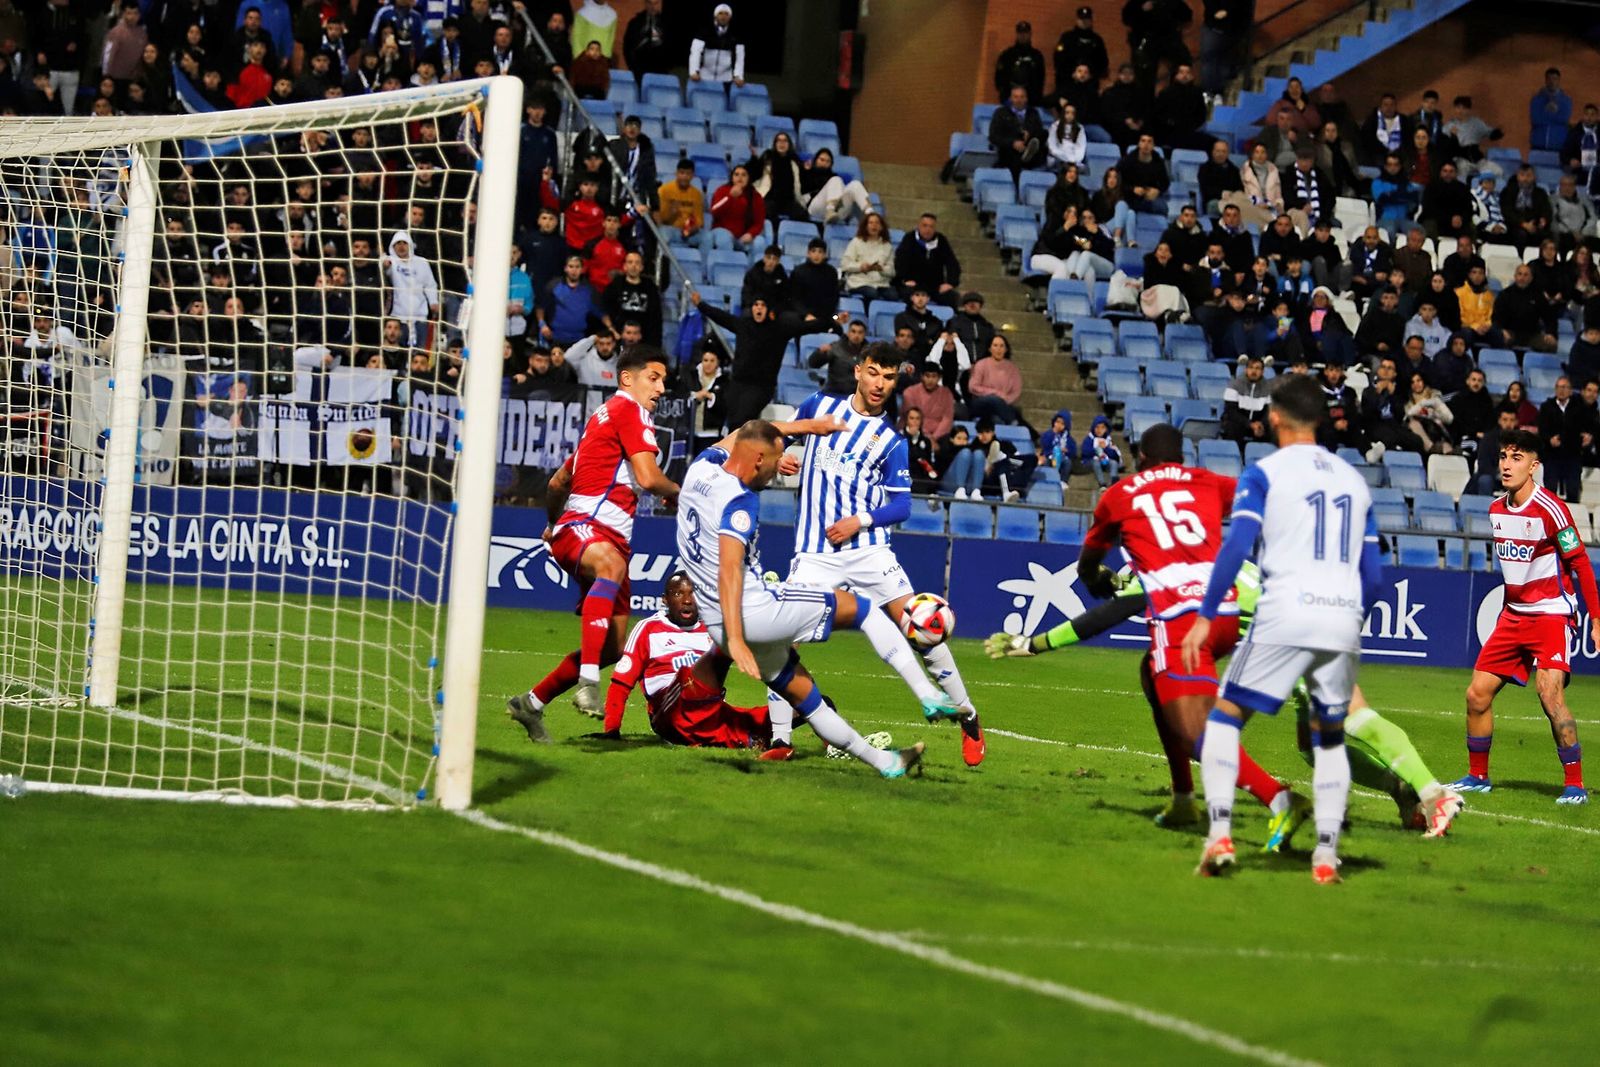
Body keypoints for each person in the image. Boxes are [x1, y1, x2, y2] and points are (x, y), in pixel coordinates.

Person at [986, 560, 1462, 838]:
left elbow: (1116, 610)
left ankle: (1433, 793)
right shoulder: (1212, 556)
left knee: (1351, 715)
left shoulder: (1161, 575)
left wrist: (1035, 642)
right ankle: (1405, 791)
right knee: (1314, 743)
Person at [1045, 423, 1315, 834]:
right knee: (1150, 676)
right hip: (1220, 613)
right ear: (1181, 457)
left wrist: (1093, 577)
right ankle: (1184, 800)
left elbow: (1090, 558)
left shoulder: (1121, 494)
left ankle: (1280, 799)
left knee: (1196, 736)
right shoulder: (1207, 481)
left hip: (1179, 619)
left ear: (1140, 457)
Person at [674, 418, 956, 776]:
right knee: (864, 609)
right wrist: (737, 636)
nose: (779, 471)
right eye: (777, 462)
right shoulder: (740, 501)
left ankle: (887, 762)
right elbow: (729, 570)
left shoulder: (702, 467)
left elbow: (746, 430)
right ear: (758, 459)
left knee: (808, 699)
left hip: (716, 622)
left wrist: (810, 426)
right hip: (752, 612)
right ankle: (928, 695)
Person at [1184, 373, 1378, 882]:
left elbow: (1237, 543)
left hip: (1286, 607)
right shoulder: (1355, 482)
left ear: (1274, 416)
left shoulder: (1264, 472)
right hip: (1343, 615)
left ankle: (1220, 835)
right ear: (1321, 417)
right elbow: (1374, 575)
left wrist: (1206, 614)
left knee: (1224, 719)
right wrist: (1350, 618)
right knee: (1330, 739)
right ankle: (1325, 857)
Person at [766, 345, 985, 765]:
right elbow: (776, 438)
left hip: (868, 552)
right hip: (815, 553)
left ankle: (968, 717)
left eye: (888, 377)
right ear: (858, 372)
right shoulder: (821, 406)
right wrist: (779, 460)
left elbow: (901, 506)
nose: (880, 384)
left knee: (924, 627)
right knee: (777, 639)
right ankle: (779, 740)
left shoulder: (891, 442)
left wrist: (860, 521)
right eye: (873, 374)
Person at [507, 348, 680, 733]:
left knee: (613, 647)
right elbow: (650, 479)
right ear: (626, 380)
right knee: (611, 566)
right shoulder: (630, 411)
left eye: (664, 380)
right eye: (653, 377)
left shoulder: (599, 422)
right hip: (589, 526)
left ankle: (530, 703)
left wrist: (552, 524)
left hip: (597, 534)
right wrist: (679, 492)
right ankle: (588, 684)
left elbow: (558, 482)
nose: (661, 387)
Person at [1455, 429, 1598, 804]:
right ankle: (1477, 776)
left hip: (1550, 615)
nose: (1506, 464)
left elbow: (1580, 563)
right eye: (1504, 456)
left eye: (1516, 458)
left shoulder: (1551, 509)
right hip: (1513, 617)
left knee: (1549, 693)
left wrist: (1596, 619)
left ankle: (1575, 785)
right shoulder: (1495, 510)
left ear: (1534, 466)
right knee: (1477, 694)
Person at [583, 572, 772, 747]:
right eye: (678, 594)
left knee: (779, 712)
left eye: (693, 593)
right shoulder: (649, 629)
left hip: (706, 711)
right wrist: (612, 730)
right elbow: (621, 684)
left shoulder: (710, 629)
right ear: (665, 600)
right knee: (713, 654)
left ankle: (753, 738)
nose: (687, 600)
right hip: (668, 710)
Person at [691, 289, 825, 429]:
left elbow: (807, 327)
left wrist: (833, 321)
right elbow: (721, 316)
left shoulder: (779, 329)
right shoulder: (743, 325)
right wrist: (700, 304)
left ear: (767, 309)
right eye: (756, 304)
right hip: (738, 383)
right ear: (752, 308)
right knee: (732, 422)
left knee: (741, 420)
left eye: (762, 305)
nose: (759, 308)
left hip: (761, 386)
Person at [894, 213, 962, 307]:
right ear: (919, 226)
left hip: (935, 286)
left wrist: (950, 283)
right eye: (925, 225)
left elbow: (952, 263)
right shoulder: (909, 238)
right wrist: (904, 280)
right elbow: (900, 260)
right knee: (907, 295)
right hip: (914, 285)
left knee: (952, 297)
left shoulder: (941, 240)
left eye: (931, 226)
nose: (928, 229)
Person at [1538, 376, 1588, 501]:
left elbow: (1588, 426)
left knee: (1573, 489)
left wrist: (1588, 435)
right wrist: (1549, 439)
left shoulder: (1579, 408)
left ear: (1571, 391)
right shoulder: (1546, 407)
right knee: (1550, 490)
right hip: (1552, 455)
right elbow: (1542, 429)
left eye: (1565, 387)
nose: (1561, 390)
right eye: (1559, 387)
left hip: (1573, 454)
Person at [800, 147, 872, 225]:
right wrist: (805, 171)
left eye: (828, 161)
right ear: (815, 160)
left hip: (837, 211)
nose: (824, 163)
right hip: (815, 207)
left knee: (856, 184)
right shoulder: (808, 173)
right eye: (822, 160)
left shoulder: (833, 177)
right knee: (836, 179)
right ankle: (830, 211)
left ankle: (871, 216)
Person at [989, 83, 1047, 177]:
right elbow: (993, 136)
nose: (1019, 100)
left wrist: (1029, 134)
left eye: (1022, 97)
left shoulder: (1033, 113)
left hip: (1029, 147)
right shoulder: (1001, 113)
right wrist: (1013, 143)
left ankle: (1029, 152)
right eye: (1016, 97)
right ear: (1010, 98)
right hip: (1010, 151)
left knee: (1044, 133)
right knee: (1013, 158)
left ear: (1026, 99)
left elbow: (1039, 130)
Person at [966, 335, 1024, 425]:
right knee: (994, 400)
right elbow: (973, 386)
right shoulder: (981, 364)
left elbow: (1016, 391)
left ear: (1006, 349)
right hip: (981, 402)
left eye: (1001, 346)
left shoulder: (1012, 368)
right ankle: (1012, 421)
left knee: (997, 418)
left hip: (1003, 405)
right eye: (995, 345)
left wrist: (1005, 401)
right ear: (989, 349)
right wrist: (996, 393)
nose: (998, 349)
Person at [840, 211, 896, 302]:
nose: (874, 226)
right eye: (871, 223)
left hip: (880, 284)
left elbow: (892, 272)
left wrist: (882, 269)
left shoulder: (887, 246)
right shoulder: (856, 242)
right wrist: (860, 267)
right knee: (871, 293)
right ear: (866, 226)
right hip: (859, 282)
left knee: (893, 295)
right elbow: (845, 265)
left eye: (877, 223)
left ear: (881, 227)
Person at [751, 131, 804, 222]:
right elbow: (754, 173)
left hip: (789, 200)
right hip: (770, 198)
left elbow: (803, 181)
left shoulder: (794, 161)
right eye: (778, 141)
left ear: (789, 144)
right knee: (766, 211)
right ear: (775, 144)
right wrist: (754, 160)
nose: (781, 143)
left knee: (802, 214)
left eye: (785, 141)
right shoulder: (767, 157)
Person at [710, 164, 766, 250]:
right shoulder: (722, 190)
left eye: (744, 175)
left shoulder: (756, 197)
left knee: (760, 242)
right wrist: (730, 197)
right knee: (724, 238)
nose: (740, 177)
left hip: (743, 236)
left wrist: (751, 233)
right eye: (736, 174)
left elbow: (759, 222)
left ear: (749, 178)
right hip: (722, 232)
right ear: (732, 177)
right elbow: (714, 211)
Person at [1055, 6, 1109, 94]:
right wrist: (1072, 73)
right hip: (1068, 84)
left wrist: (1090, 74)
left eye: (1087, 19)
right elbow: (1058, 59)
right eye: (1082, 18)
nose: (1084, 21)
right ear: (1077, 20)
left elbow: (1103, 62)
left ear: (1091, 20)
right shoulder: (1067, 38)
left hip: (1090, 86)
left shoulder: (1097, 40)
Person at [688, 3, 743, 89]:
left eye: (726, 14)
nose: (723, 16)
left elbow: (740, 57)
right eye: (720, 13)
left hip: (726, 79)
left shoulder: (736, 35)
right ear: (715, 15)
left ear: (730, 17)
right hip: (704, 77)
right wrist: (694, 71)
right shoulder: (704, 31)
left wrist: (738, 76)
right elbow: (695, 52)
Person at [993, 20, 1045, 106]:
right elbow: (999, 78)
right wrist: (1005, 94)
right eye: (1020, 33)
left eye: (1025, 33)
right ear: (1017, 34)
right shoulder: (1007, 55)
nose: (1023, 36)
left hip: (1031, 101)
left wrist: (1035, 97)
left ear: (1030, 34)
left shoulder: (1037, 56)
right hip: (1009, 99)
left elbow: (1040, 80)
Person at [1501, 165, 1552, 251]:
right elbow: (1507, 212)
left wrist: (1544, 219)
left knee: (1548, 235)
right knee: (1521, 234)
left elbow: (1546, 209)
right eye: (1522, 175)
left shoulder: (1540, 193)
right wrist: (1523, 224)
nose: (1525, 178)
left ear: (1534, 177)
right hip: (1515, 225)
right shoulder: (1508, 191)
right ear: (1517, 176)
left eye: (1528, 175)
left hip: (1535, 224)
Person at [900, 361, 955, 441]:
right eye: (927, 376)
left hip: (938, 436)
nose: (930, 380)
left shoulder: (946, 394)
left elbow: (947, 419)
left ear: (939, 378)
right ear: (922, 376)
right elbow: (911, 419)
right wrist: (926, 438)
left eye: (934, 376)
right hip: (913, 432)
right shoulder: (910, 392)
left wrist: (933, 438)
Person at [1119, 132, 1170, 215]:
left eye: (1149, 142)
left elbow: (1165, 182)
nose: (1146, 145)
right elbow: (1118, 181)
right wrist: (1132, 189)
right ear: (1139, 143)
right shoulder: (1127, 161)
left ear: (1153, 145)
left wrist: (1158, 191)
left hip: (1149, 197)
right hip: (1129, 196)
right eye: (1143, 141)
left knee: (1163, 208)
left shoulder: (1158, 162)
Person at [689, 348, 726, 452]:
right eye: (705, 360)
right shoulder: (691, 376)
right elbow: (682, 395)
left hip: (711, 432)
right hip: (689, 431)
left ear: (717, 362)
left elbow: (726, 405)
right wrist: (695, 395)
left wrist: (711, 397)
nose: (708, 364)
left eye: (712, 361)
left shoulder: (724, 381)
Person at [1529, 67, 1572, 153]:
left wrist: (1545, 113)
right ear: (1545, 80)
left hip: (1559, 146)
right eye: (1549, 78)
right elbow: (1536, 119)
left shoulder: (1566, 101)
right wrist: (1554, 115)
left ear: (1559, 81)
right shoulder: (1536, 100)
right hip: (1538, 146)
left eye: (1555, 79)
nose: (1552, 82)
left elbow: (1564, 119)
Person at [621, 0, 669, 76]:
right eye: (650, 3)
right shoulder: (635, 23)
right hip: (638, 70)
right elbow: (627, 46)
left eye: (655, 3)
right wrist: (632, 66)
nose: (653, 7)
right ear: (646, 4)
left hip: (660, 71)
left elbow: (672, 47)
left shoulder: (666, 24)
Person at [1082, 414, 1122, 486]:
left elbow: (1114, 455)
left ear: (1106, 429)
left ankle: (1113, 480)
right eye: (1097, 427)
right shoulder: (1089, 439)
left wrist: (1106, 448)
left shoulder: (1108, 440)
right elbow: (1085, 452)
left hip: (1105, 461)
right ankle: (1102, 483)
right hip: (1092, 461)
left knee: (1113, 463)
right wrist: (1096, 450)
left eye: (1102, 428)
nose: (1099, 430)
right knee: (1096, 463)